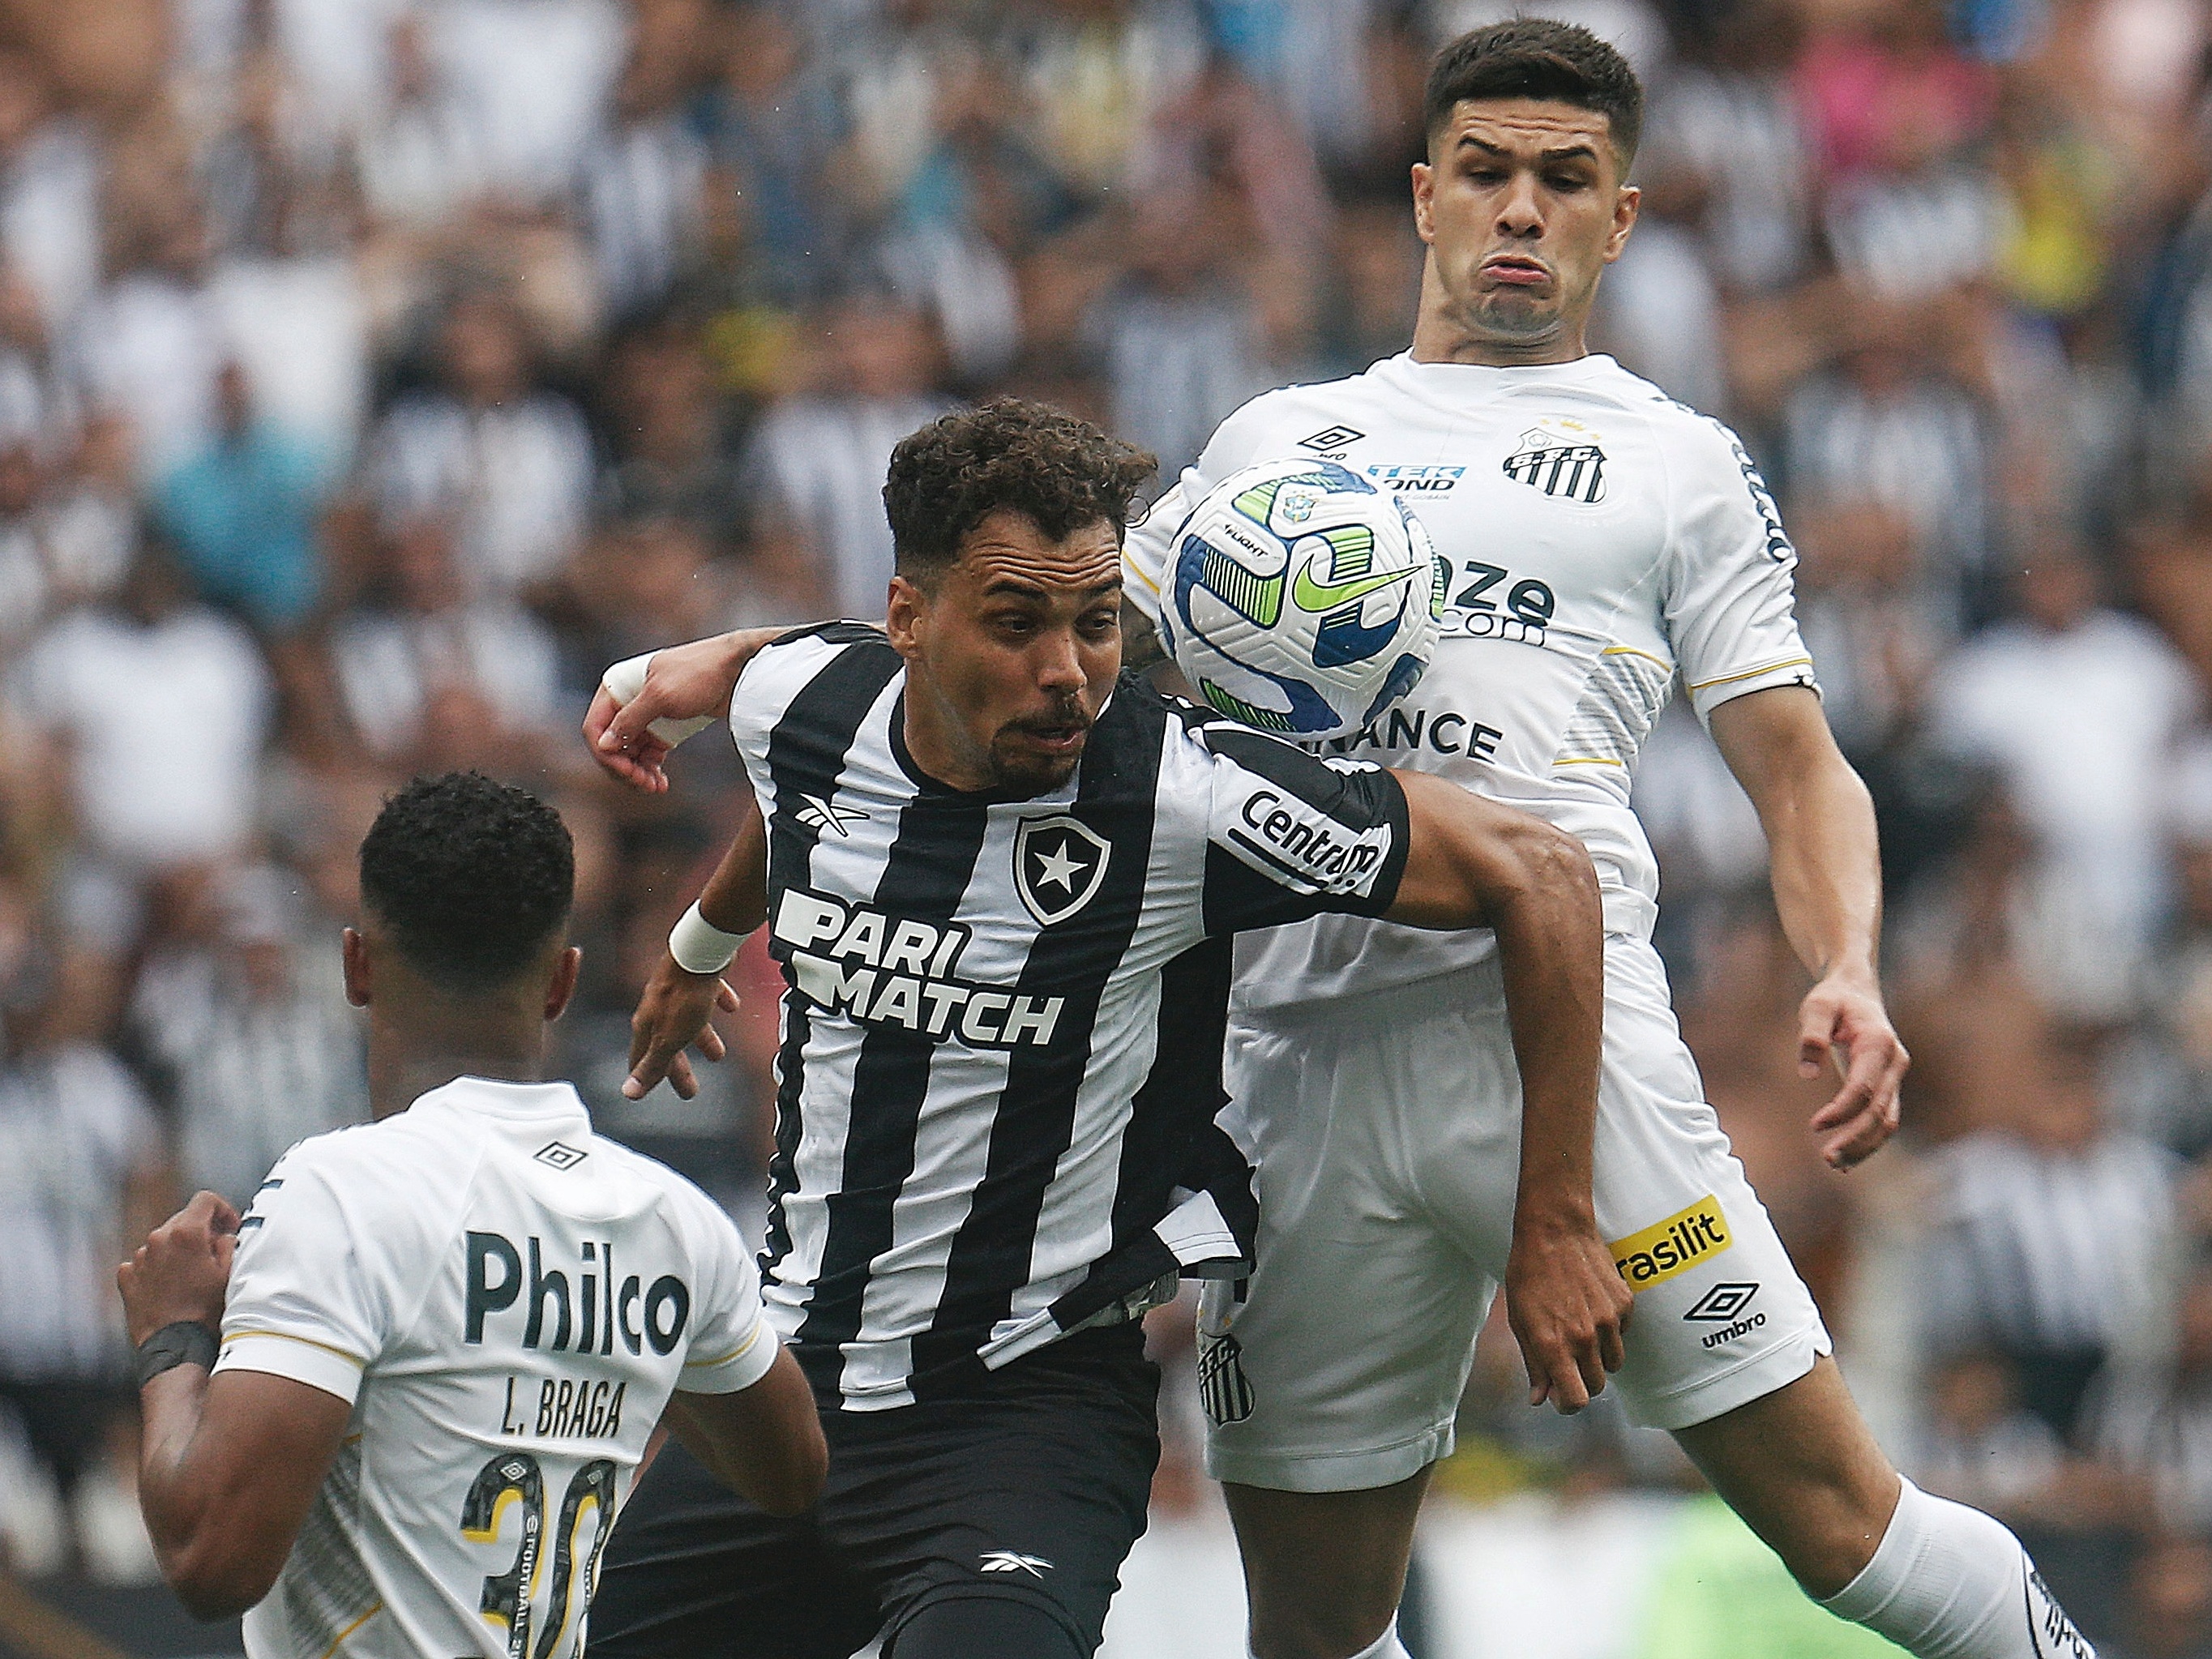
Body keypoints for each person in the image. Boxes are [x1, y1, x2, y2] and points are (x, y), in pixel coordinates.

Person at [1107, 21, 2093, 1659]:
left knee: (1839, 1529)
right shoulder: (1272, 443)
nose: (1518, 210)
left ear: (1615, 219)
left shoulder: (1673, 464)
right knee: (1312, 1629)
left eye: (1562, 181)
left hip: (1562, 1048)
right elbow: (1069, 657)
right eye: (1484, 173)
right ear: (1423, 198)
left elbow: (1796, 768)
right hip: (1296, 1073)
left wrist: (1843, 960)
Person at [580, 396, 1628, 1657]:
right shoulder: (802, 697)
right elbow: (798, 781)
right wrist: (699, 948)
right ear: (908, 619)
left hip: (1021, 1414)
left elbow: (1549, 880)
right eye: (1018, 625)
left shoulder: (1188, 791)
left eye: (1094, 623)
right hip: (792, 1384)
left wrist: (1554, 1215)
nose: (1066, 669)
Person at [114, 771, 825, 1656]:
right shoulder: (668, 1223)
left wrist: (172, 1336)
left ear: (357, 964)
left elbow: (208, 1562)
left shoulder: (343, 1194)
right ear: (562, 980)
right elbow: (793, 1473)